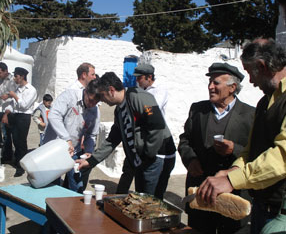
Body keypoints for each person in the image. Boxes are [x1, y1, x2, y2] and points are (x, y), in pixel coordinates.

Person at [197, 39, 286, 233]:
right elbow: (251, 149)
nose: (251, 82)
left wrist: (232, 180)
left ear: (262, 66)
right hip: (262, 205)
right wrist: (232, 170)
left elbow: (282, 156)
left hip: (281, 213)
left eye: (249, 73)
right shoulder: (264, 102)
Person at [177, 62, 255, 233]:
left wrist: (233, 149)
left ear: (232, 87)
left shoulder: (250, 114)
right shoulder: (198, 110)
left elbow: (256, 152)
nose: (210, 87)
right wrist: (190, 160)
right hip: (201, 193)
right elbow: (185, 140)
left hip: (233, 195)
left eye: (216, 83)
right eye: (210, 82)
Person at [77, 72, 176, 196]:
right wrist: (91, 161)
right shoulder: (119, 110)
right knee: (141, 197)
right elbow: (113, 139)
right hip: (142, 160)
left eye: (102, 95)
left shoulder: (138, 96)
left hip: (156, 157)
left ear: (111, 90)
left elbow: (156, 126)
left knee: (150, 203)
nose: (101, 100)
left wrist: (147, 156)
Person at [116, 64, 176, 200]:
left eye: (140, 78)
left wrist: (148, 152)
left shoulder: (159, 90)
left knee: (151, 193)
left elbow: (152, 116)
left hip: (155, 143)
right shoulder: (139, 91)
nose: (137, 81)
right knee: (130, 172)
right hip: (140, 141)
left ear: (149, 77)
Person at [43, 80, 100, 193]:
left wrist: (89, 150)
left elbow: (91, 134)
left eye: (96, 102)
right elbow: (54, 116)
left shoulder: (95, 110)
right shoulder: (69, 96)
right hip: (54, 149)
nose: (92, 104)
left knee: (77, 186)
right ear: (85, 92)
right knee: (51, 186)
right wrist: (66, 139)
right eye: (91, 100)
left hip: (74, 151)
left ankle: (73, 209)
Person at [2, 67, 37, 177]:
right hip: (15, 115)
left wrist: (14, 96)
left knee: (21, 141)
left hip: (24, 117)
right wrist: (7, 114)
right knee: (15, 140)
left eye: (16, 76)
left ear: (22, 77)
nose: (15, 79)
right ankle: (17, 160)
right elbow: (13, 105)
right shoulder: (18, 89)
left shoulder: (31, 90)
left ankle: (21, 166)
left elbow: (24, 105)